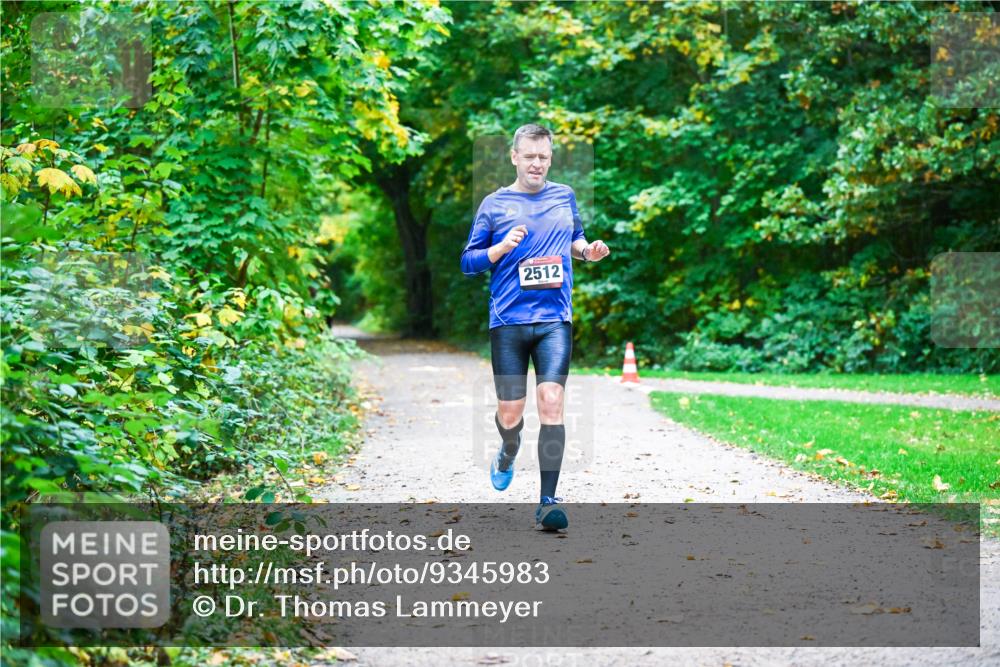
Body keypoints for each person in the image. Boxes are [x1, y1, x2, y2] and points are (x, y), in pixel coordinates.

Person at [460, 123, 610, 531]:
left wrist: (588, 251)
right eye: (529, 156)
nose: (537, 164)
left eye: (543, 157)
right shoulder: (494, 204)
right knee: (510, 413)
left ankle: (548, 501)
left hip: (554, 320)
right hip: (508, 322)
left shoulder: (564, 196)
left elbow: (576, 239)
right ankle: (508, 448)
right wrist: (501, 248)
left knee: (550, 401)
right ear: (514, 157)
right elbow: (468, 262)